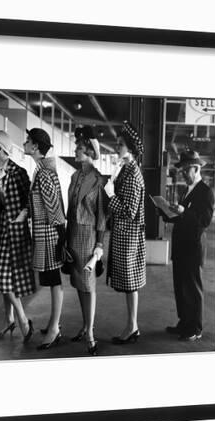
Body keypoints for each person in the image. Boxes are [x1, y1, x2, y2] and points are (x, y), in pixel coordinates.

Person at [0, 130, 36, 343]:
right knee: (4, 279)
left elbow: (29, 203)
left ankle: (21, 319)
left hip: (18, 232)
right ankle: (9, 320)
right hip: (2, 231)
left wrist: (21, 218)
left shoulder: (19, 173)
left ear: (1, 149)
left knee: (6, 279)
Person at [162, 150, 215, 341]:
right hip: (181, 247)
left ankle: (195, 328)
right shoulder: (188, 189)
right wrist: (168, 212)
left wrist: (184, 211)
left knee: (193, 289)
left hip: (193, 248)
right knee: (181, 287)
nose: (183, 173)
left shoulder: (206, 192)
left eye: (186, 170)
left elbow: (204, 220)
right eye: (182, 170)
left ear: (196, 168)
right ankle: (184, 322)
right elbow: (184, 217)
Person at [22, 128, 66, 350]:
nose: (25, 143)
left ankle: (55, 328)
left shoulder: (44, 173)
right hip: (46, 233)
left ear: (36, 147)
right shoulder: (42, 170)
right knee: (51, 281)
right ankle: (52, 324)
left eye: (28, 141)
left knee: (53, 281)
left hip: (49, 234)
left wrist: (60, 237)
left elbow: (54, 208)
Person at [103, 120, 146, 345]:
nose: (116, 147)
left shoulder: (133, 174)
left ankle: (132, 326)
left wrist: (111, 195)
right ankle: (132, 325)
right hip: (124, 234)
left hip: (129, 235)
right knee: (129, 284)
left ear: (129, 149)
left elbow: (129, 211)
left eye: (120, 144)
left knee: (130, 283)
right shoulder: (126, 170)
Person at [66, 126, 107, 356]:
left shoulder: (98, 180)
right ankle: (84, 325)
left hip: (89, 237)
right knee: (78, 284)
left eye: (80, 148)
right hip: (73, 235)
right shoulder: (74, 176)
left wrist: (99, 244)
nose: (75, 150)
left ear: (90, 152)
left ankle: (90, 333)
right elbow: (70, 209)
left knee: (89, 286)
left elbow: (102, 216)